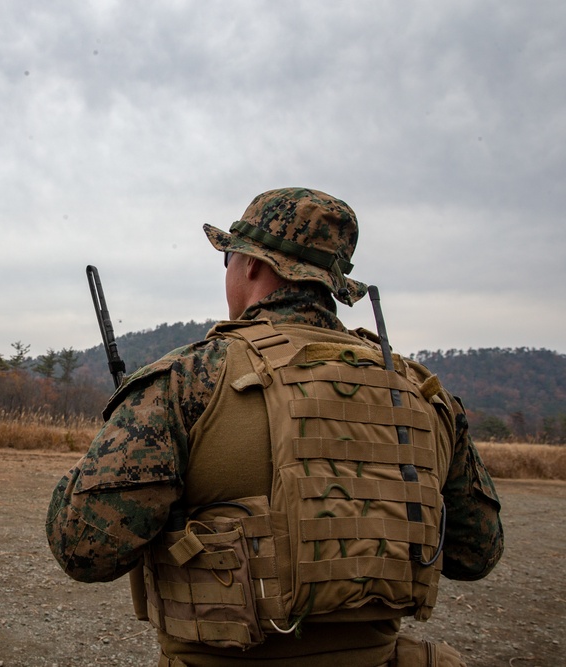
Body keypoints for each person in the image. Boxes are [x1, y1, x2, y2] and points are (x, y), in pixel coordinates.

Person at [46, 187, 503, 667]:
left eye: (228, 259)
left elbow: (83, 548)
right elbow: (477, 553)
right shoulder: (423, 396)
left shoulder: (188, 381)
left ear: (251, 265)